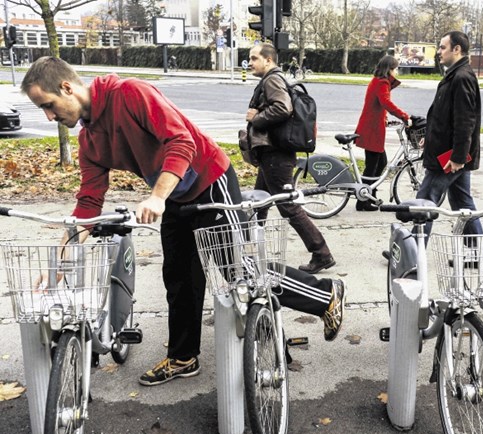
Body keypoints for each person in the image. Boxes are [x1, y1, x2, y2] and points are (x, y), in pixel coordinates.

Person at [21, 56, 346, 387]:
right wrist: (60, 259)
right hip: (174, 193)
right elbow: (89, 201)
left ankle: (324, 294)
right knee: (179, 278)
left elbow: (181, 141)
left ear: (67, 87)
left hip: (209, 178)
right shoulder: (89, 141)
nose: (49, 117)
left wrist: (157, 196)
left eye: (48, 105)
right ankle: (183, 357)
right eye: (42, 111)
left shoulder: (130, 94)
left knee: (237, 271)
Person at [246, 43, 336, 275]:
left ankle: (321, 253)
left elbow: (282, 108)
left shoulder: (271, 80)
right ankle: (249, 248)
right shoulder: (271, 79)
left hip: (277, 154)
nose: (250, 63)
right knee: (260, 203)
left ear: (268, 60)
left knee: (287, 205)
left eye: (254, 58)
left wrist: (256, 118)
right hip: (272, 154)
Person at [417, 30, 483, 238]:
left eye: (442, 47)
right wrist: (428, 136)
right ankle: (478, 253)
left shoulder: (461, 77)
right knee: (463, 204)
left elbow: (465, 122)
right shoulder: (455, 75)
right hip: (451, 154)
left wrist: (457, 157)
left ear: (457, 49)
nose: (439, 52)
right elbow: (444, 115)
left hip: (447, 159)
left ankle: (410, 255)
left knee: (424, 203)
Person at [354, 55, 410, 211]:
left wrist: (384, 118)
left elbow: (378, 105)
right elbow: (386, 103)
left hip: (371, 128)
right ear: (389, 69)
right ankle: (362, 200)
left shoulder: (378, 81)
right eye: (396, 68)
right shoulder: (382, 83)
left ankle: (368, 195)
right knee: (372, 166)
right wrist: (404, 116)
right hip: (371, 130)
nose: (397, 71)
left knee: (379, 163)